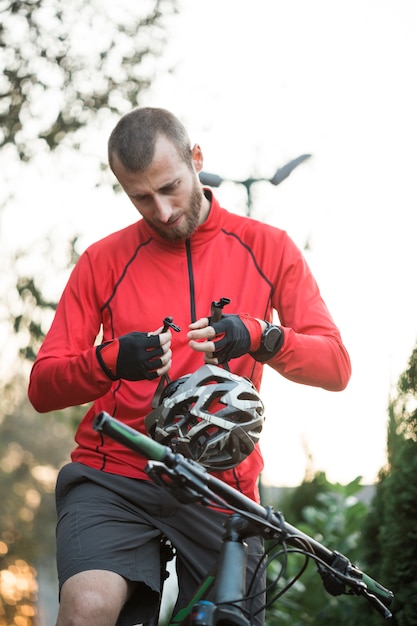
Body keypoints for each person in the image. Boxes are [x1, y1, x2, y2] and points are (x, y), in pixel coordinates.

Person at [28, 107, 351, 626]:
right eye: (140, 197)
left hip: (221, 484)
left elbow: (335, 366)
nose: (160, 210)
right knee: (87, 609)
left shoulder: (269, 247)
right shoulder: (101, 261)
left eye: (170, 187)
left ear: (196, 158)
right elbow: (43, 386)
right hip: (116, 474)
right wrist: (111, 360)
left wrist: (260, 336)